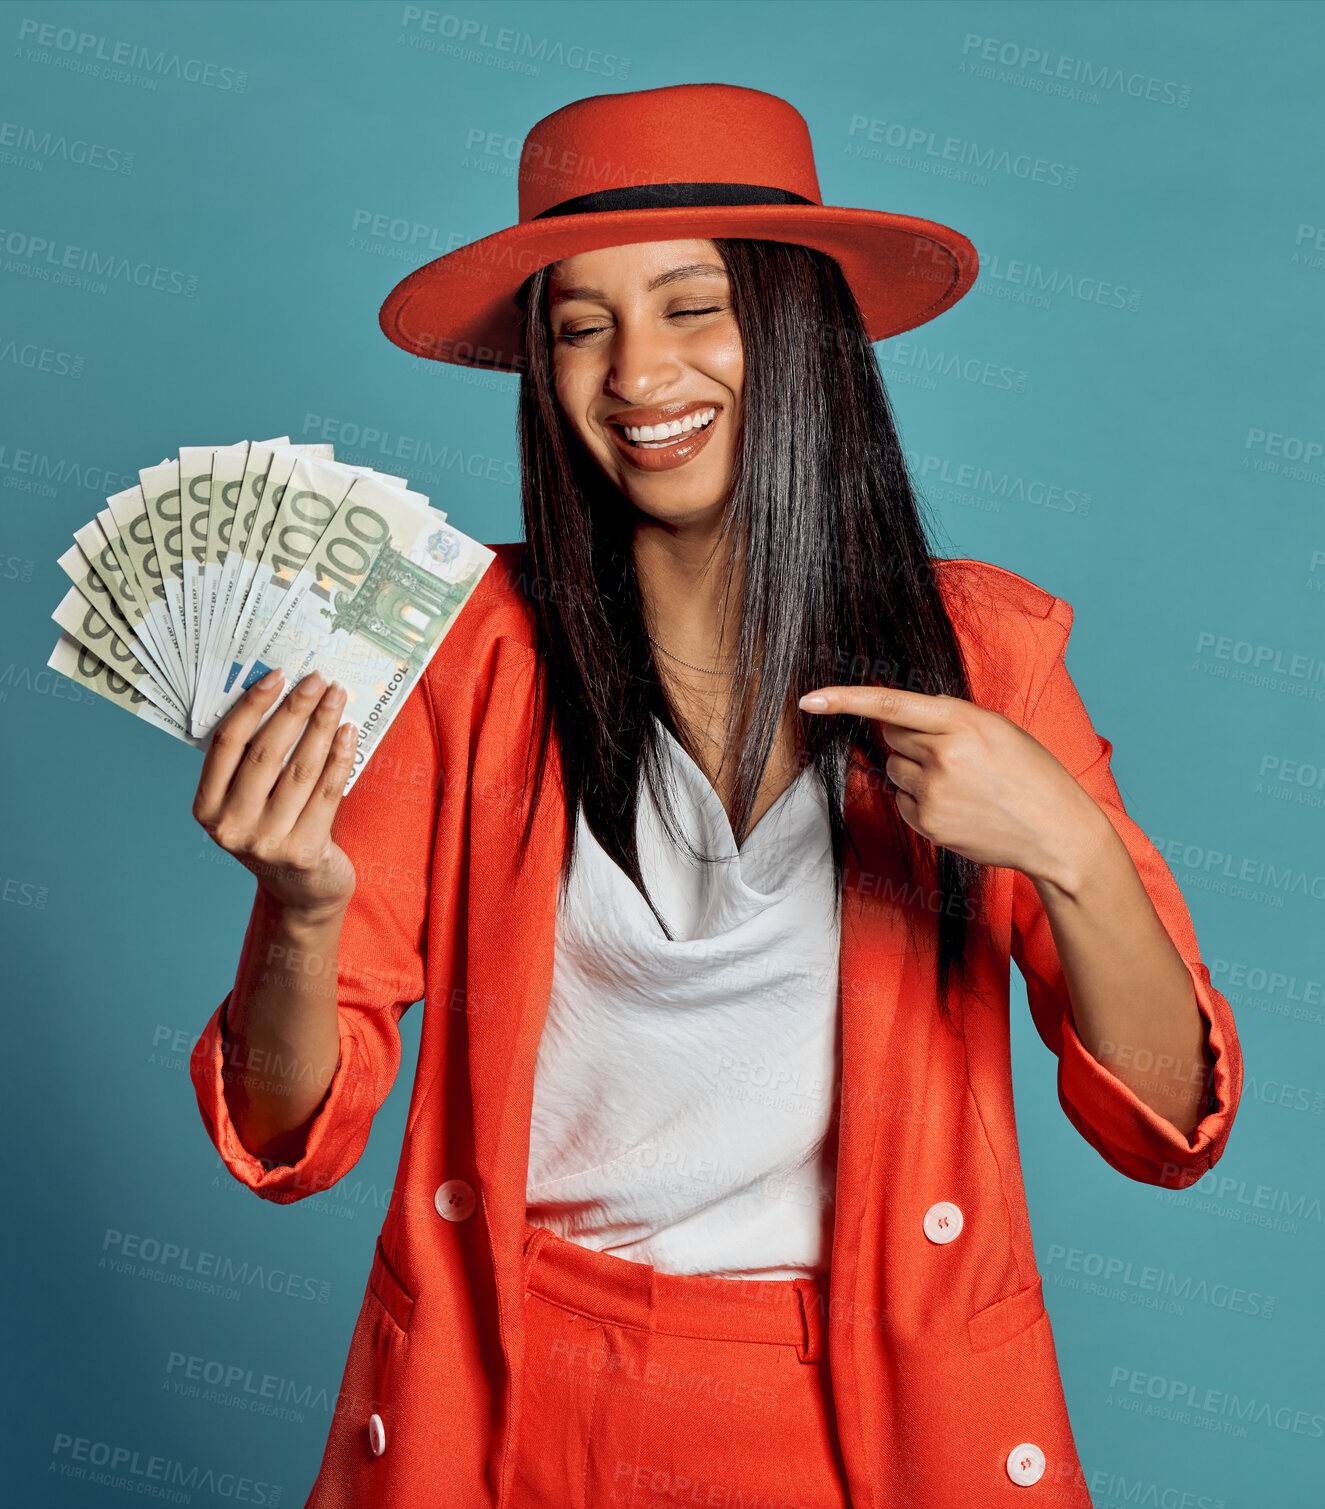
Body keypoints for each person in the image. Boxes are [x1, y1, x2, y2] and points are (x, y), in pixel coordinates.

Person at [189, 83, 1243, 1509]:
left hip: (873, 1406)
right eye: (580, 325)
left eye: (692, 306)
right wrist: (300, 915)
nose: (636, 373)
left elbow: (1161, 1122)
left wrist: (1067, 847)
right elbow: (286, 1138)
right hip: (513, 1394)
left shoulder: (985, 655)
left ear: (798, 329)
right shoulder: (461, 653)